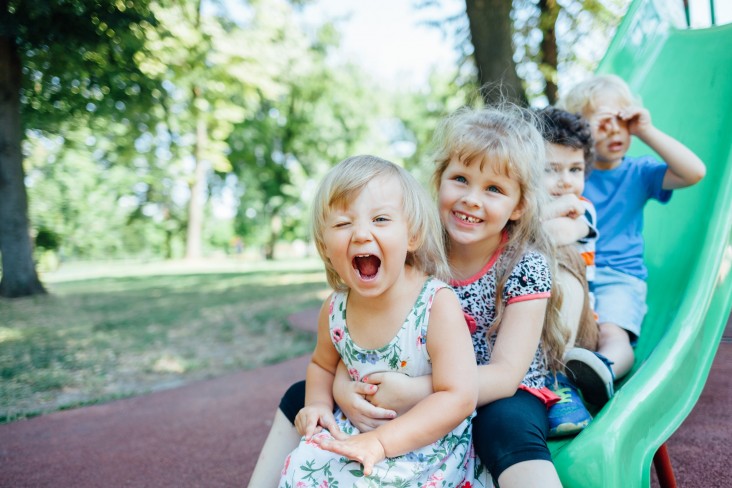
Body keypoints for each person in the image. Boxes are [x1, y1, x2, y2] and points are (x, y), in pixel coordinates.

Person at [249, 105, 567, 488]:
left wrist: (415, 392)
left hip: (495, 389)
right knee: (300, 395)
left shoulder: (524, 267)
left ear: (518, 206)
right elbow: (349, 344)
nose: (471, 199)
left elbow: (504, 375)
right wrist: (344, 389)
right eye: (461, 179)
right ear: (439, 181)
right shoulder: (413, 253)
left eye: (494, 189)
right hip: (409, 378)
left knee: (504, 426)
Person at [277, 155, 490, 486]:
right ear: (324, 245)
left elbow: (459, 396)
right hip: (355, 432)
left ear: (412, 236)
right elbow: (321, 365)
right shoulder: (334, 309)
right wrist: (317, 405)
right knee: (302, 465)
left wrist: (380, 442)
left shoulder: (435, 304)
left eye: (380, 219)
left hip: (424, 445)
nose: (361, 233)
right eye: (343, 223)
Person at [558, 74, 706, 405]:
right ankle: (558, 378)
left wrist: (644, 129)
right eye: (603, 122)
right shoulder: (569, 175)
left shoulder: (640, 173)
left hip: (617, 279)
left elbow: (694, 172)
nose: (614, 130)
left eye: (623, 121)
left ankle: (604, 371)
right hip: (574, 274)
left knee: (614, 333)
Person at [536, 106, 602, 437]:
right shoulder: (521, 207)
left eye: (575, 169)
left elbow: (557, 235)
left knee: (559, 254)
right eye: (552, 170)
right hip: (528, 321)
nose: (565, 181)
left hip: (577, 329)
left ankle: (558, 381)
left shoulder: (582, 208)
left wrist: (542, 212)